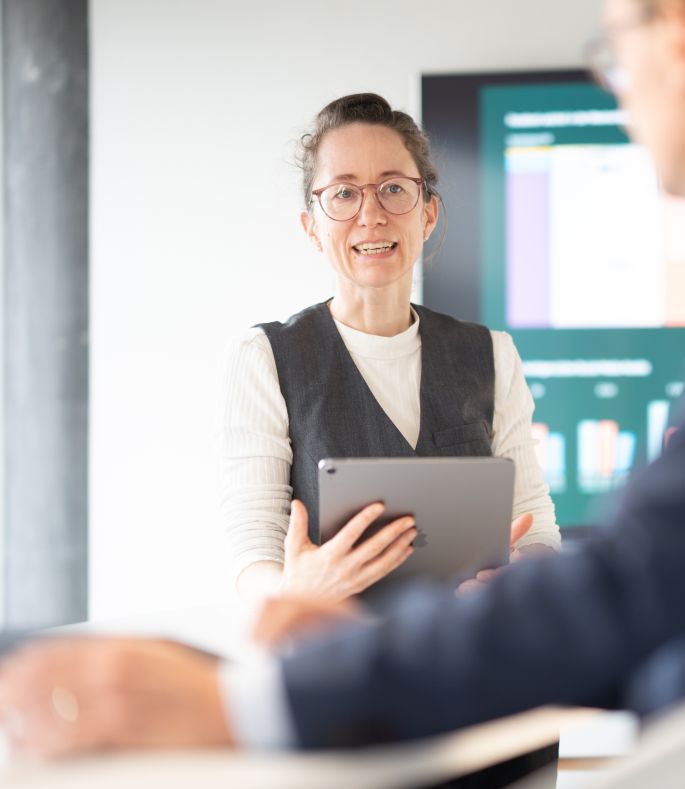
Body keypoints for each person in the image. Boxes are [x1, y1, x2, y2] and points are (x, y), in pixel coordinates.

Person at [0, 0, 685, 789]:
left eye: (614, 49)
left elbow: (650, 573)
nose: (619, 87)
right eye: (343, 195)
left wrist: (251, 701)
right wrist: (345, 645)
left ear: (678, 39)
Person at [223, 93, 560, 604]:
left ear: (428, 214)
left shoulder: (491, 353)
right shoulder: (265, 356)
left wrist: (521, 579)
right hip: (334, 642)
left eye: (393, 189)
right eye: (343, 194)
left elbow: (532, 519)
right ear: (312, 227)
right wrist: (296, 594)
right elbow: (253, 542)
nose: (371, 215)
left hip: (464, 641)